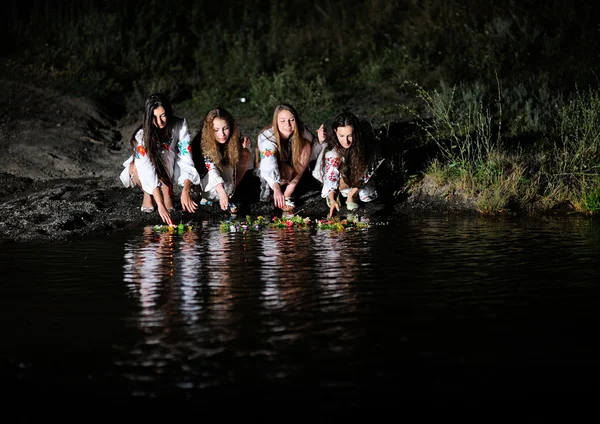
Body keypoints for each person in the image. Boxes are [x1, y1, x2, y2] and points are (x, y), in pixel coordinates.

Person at [119, 93, 201, 225]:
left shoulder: (180, 125)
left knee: (170, 206)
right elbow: (148, 170)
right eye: (154, 117)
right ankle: (147, 192)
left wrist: (186, 189)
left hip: (169, 163)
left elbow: (186, 158)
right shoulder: (141, 136)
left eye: (163, 115)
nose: (160, 122)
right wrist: (160, 204)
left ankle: (167, 189)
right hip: (147, 167)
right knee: (138, 167)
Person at [256, 103, 326, 211]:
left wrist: (320, 140)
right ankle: (277, 191)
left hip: (294, 172)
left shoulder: (302, 132)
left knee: (306, 145)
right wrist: (276, 187)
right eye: (282, 121)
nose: (288, 125)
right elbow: (268, 164)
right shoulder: (267, 137)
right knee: (285, 172)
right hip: (275, 173)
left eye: (291, 120)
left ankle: (289, 192)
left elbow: (311, 154)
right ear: (276, 122)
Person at [312, 112, 382, 218]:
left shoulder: (367, 145)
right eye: (341, 136)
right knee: (336, 189)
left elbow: (369, 169)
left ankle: (350, 193)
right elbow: (331, 177)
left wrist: (352, 194)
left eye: (350, 136)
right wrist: (332, 200)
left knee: (366, 194)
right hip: (340, 175)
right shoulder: (332, 151)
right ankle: (338, 194)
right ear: (335, 132)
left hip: (356, 173)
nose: (346, 141)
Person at [196, 107, 251, 212]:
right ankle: (209, 197)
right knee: (211, 168)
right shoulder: (203, 144)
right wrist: (221, 192)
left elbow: (242, 148)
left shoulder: (232, 138)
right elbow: (211, 170)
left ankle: (230, 193)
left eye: (225, 128)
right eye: (216, 130)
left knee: (244, 153)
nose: (222, 134)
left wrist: (245, 143)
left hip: (226, 182)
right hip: (209, 181)